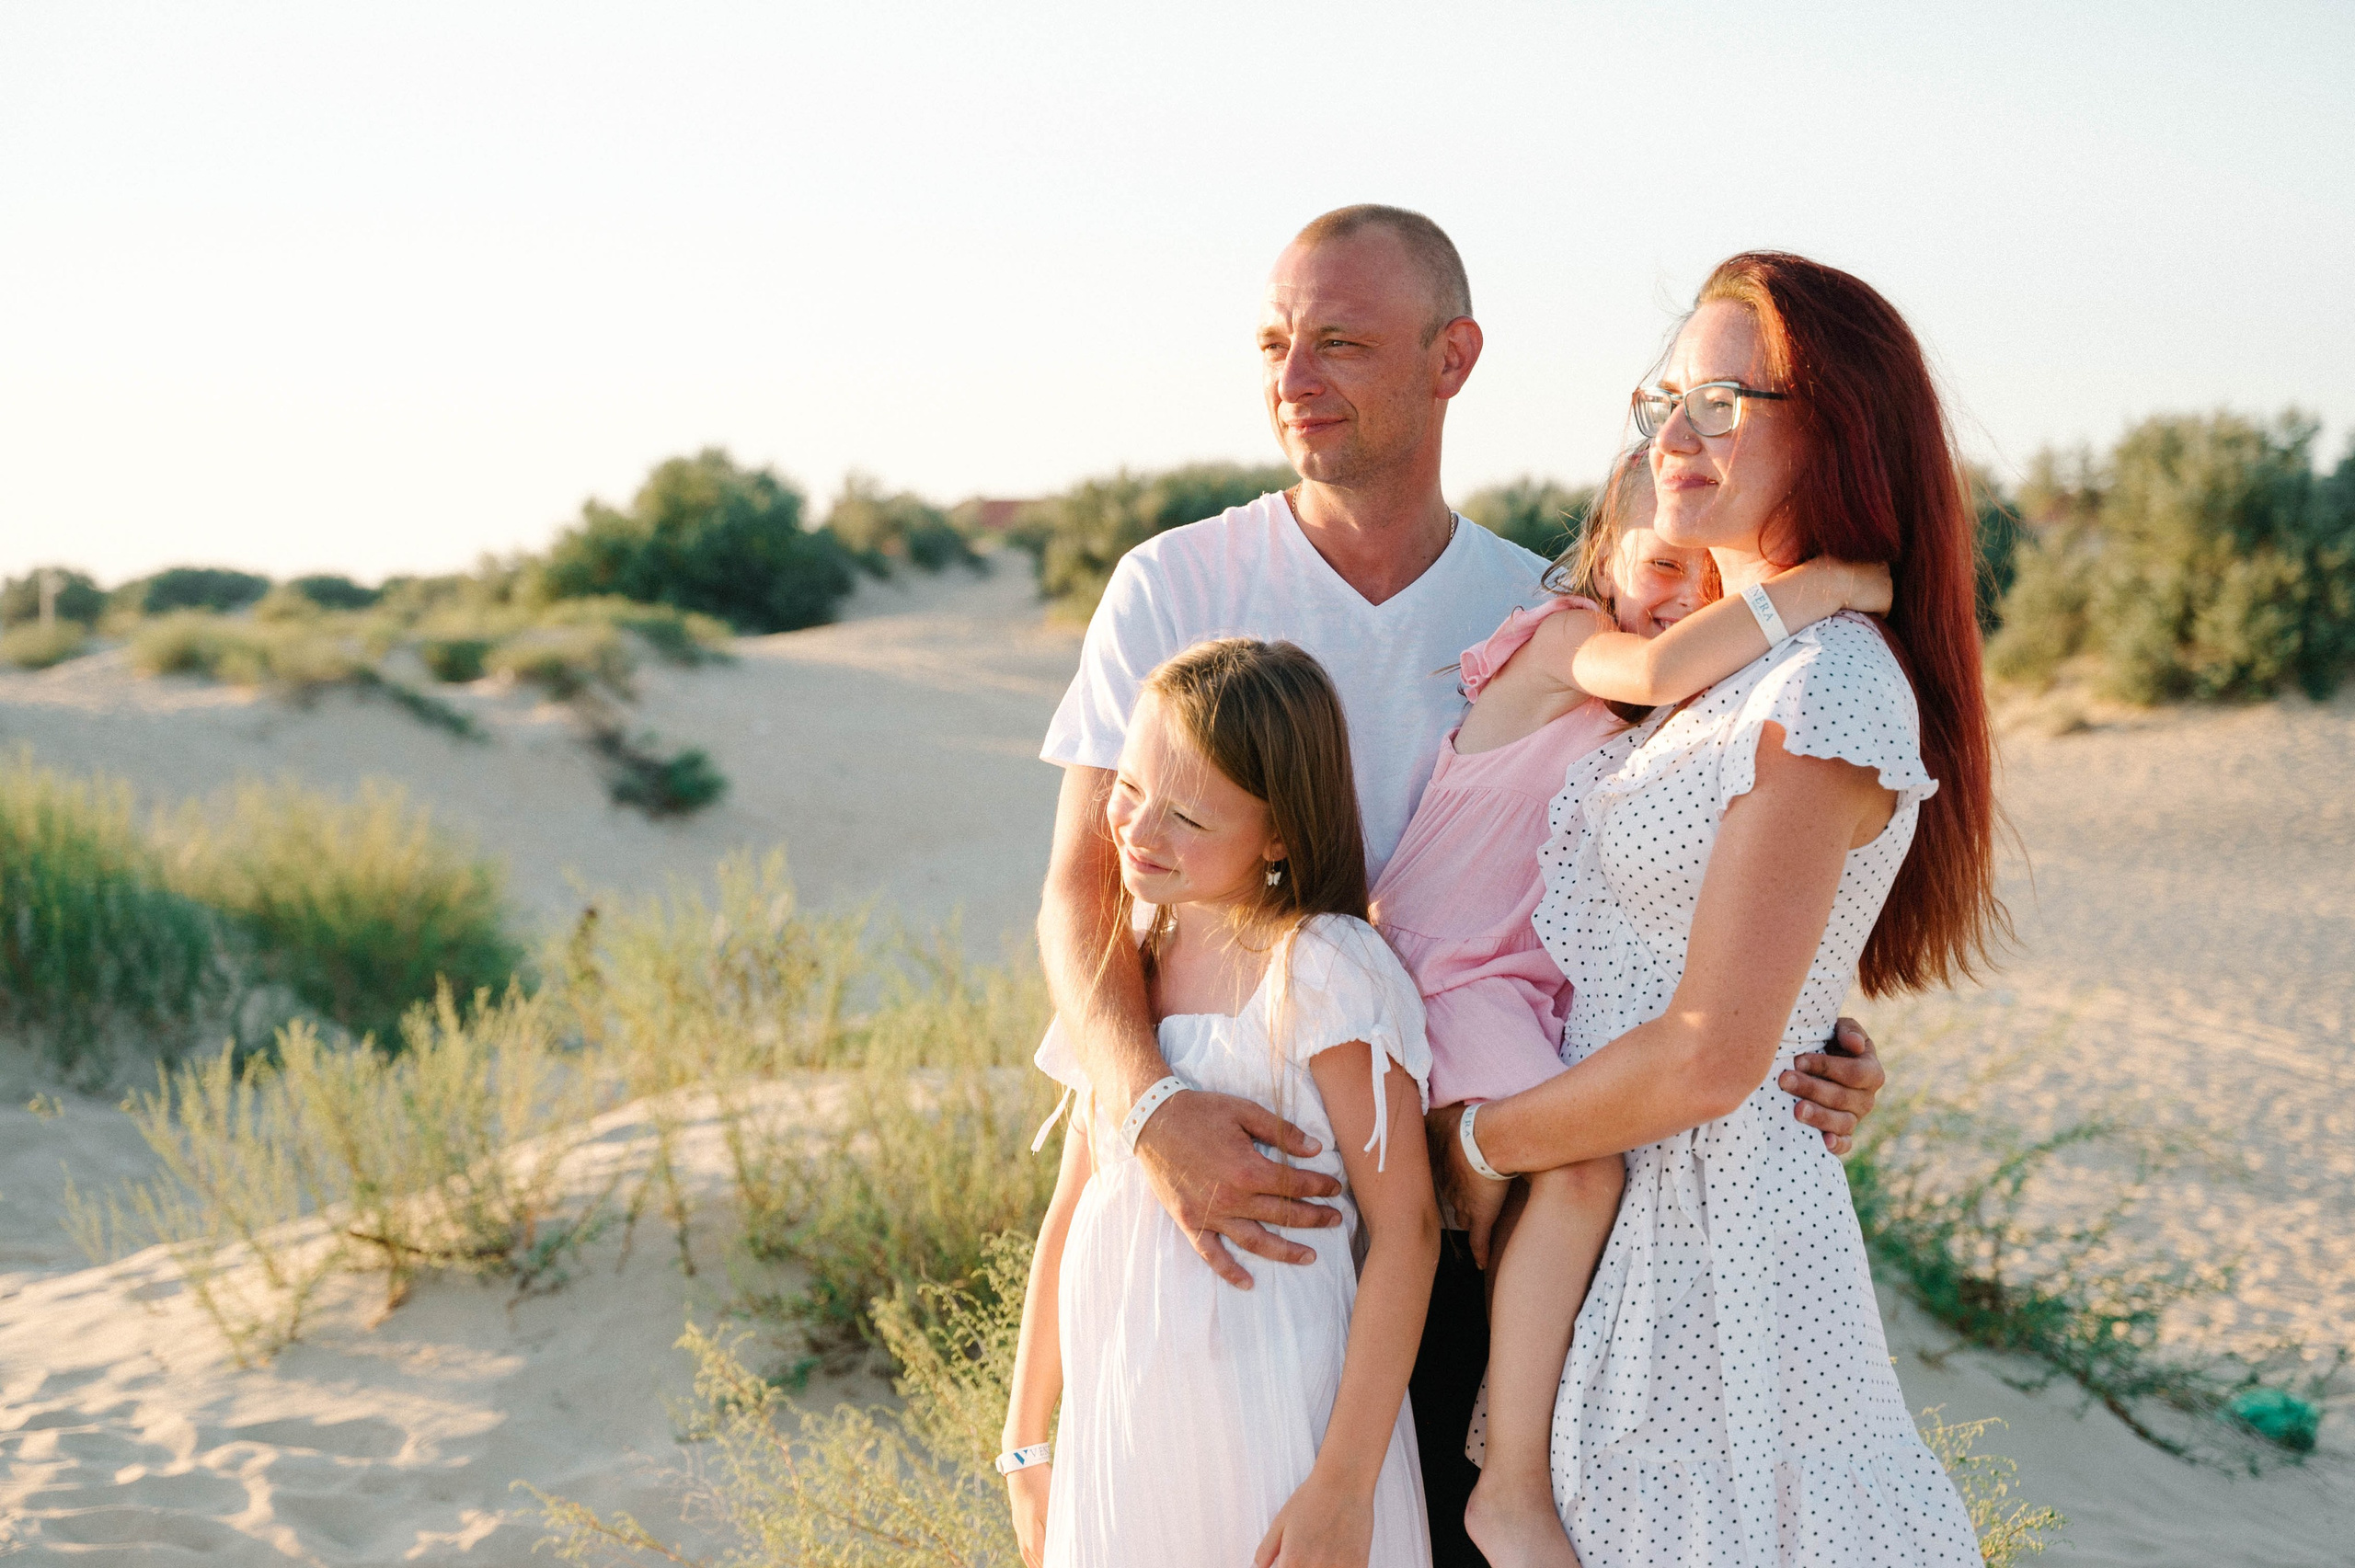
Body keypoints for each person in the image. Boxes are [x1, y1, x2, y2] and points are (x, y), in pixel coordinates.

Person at [1034, 204, 1889, 1565]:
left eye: (1340, 342)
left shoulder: (1553, 596)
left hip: (1470, 1180)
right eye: (1274, 342)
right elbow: (1081, 901)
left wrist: (1805, 1034)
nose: (1293, 377)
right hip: (1239, 1177)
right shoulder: (1175, 582)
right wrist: (1149, 1112)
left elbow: (1668, 858)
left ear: (1454, 357)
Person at [1432, 252, 2005, 1566]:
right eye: (1665, 400)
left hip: (1708, 1254)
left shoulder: (1824, 685)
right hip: (1607, 1219)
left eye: (1724, 402)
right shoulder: (1711, 664)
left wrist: (1483, 1145)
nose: (1674, 437)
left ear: (1841, 429)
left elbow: (1709, 1054)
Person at [1370, 452, 1890, 1568]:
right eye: (1661, 565)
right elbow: (1658, 664)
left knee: (1569, 1180)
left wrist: (1814, 1032)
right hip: (1456, 973)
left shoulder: (1667, 725)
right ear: (1600, 553)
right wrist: (1827, 586)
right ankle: (1508, 1486)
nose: (1684, 600)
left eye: (1711, 581)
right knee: (1582, 1170)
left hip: (1530, 987)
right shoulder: (1566, 640)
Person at [1003, 638, 1440, 1568]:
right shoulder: (1125, 966)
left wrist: (1343, 1484)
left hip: (1278, 1421)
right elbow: (1071, 1206)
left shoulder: (1323, 966)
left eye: (1187, 815)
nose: (1137, 830)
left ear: (1279, 832)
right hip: (1124, 1427)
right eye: (1128, 787)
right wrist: (1026, 1435)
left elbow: (1407, 1230)